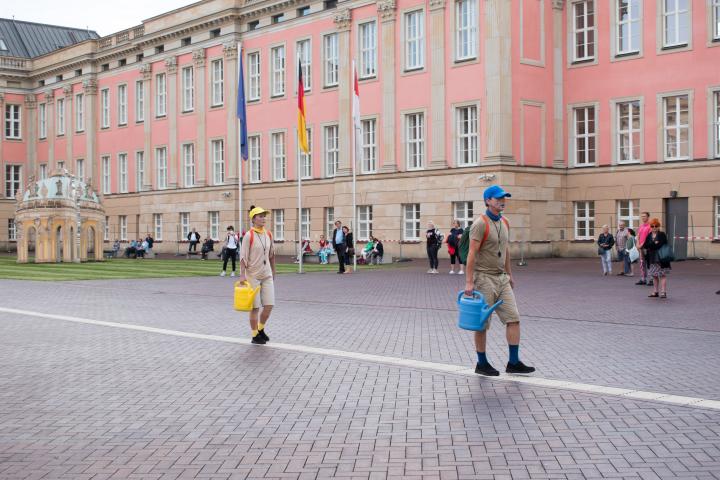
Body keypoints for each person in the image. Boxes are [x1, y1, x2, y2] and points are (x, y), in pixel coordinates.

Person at [464, 185, 535, 376]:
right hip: (483, 277)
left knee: (513, 319)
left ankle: (513, 362)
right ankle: (482, 363)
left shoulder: (505, 222)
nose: (502, 201)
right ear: (488, 201)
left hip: (501, 278)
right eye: (497, 198)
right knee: (482, 323)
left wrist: (510, 274)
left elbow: (505, 250)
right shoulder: (480, 224)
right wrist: (469, 282)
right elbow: (472, 254)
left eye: (504, 198)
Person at [239, 205, 276, 345]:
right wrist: (242, 275)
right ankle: (255, 334)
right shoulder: (249, 235)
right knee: (255, 307)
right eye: (260, 216)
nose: (263, 218)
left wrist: (274, 270)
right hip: (252, 275)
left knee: (269, 304)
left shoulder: (269, 234)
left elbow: (272, 254)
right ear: (253, 219)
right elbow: (243, 257)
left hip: (266, 274)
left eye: (264, 216)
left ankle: (260, 328)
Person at [643, 218, 671, 299]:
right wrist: (653, 243)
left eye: (656, 226)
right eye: (652, 226)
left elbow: (661, 245)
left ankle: (663, 292)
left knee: (662, 275)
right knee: (654, 275)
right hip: (651, 258)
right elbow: (645, 245)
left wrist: (652, 245)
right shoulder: (649, 235)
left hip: (661, 258)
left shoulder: (662, 234)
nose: (654, 227)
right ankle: (655, 292)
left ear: (658, 226)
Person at [636, 212, 652, 285]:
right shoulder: (641, 226)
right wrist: (637, 244)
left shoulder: (650, 226)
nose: (643, 218)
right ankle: (643, 279)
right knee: (642, 263)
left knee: (649, 263)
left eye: (644, 216)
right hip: (641, 248)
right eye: (642, 216)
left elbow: (649, 238)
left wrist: (642, 245)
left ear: (648, 217)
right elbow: (638, 236)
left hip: (647, 248)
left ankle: (651, 279)